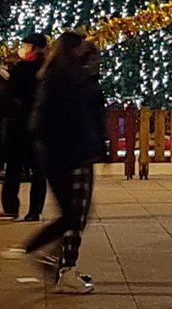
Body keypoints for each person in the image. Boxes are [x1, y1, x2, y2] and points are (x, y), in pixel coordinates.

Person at [24, 32, 105, 293]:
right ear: (72, 51)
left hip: (68, 156)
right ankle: (52, 260)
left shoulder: (62, 78)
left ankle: (54, 261)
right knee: (73, 216)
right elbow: (49, 122)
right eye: (82, 49)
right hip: (69, 158)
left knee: (74, 215)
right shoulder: (63, 80)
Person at [2, 32, 48, 222]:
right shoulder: (46, 69)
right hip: (33, 127)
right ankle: (32, 210)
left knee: (17, 169)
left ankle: (15, 207)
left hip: (24, 126)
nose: (23, 48)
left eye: (26, 45)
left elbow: (13, 94)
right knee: (31, 170)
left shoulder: (29, 69)